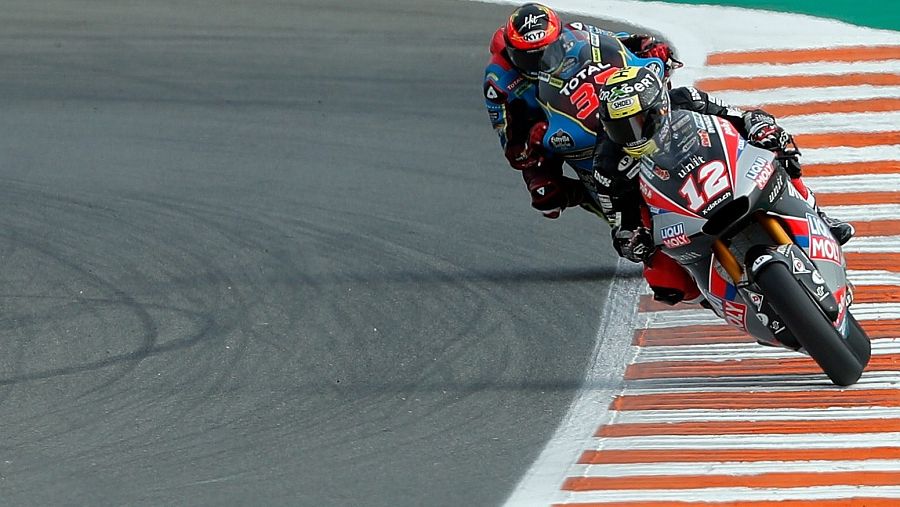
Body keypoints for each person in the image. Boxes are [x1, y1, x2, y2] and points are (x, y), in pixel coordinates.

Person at [593, 66, 855, 304]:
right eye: (620, 128)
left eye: (638, 123)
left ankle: (819, 216)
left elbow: (738, 117)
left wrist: (761, 127)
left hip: (723, 171)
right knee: (669, 285)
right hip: (669, 207)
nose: (631, 135)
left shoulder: (688, 99)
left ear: (660, 108)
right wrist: (632, 240)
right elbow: (619, 221)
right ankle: (713, 296)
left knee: (781, 155)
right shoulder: (607, 162)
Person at [483, 3, 676, 219]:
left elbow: (616, 41)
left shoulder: (573, 31)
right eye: (530, 58)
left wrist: (647, 46)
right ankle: (589, 198)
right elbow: (512, 148)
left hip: (592, 106)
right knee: (546, 196)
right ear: (512, 52)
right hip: (548, 130)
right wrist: (532, 138)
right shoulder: (499, 82)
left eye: (548, 51)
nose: (541, 62)